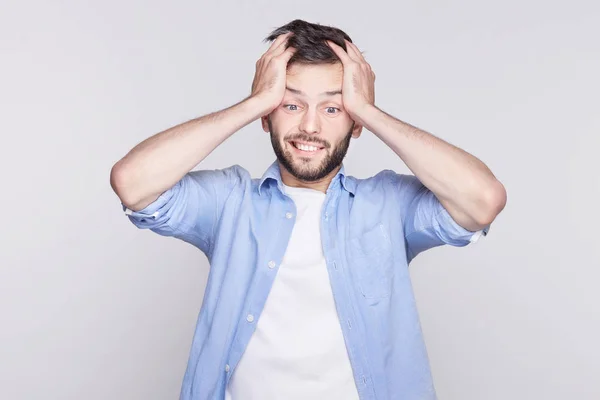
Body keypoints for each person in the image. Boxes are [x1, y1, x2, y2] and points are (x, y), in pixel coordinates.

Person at [110, 19, 506, 400]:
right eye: (292, 106)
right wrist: (256, 102)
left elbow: (483, 200)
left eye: (333, 109)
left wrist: (368, 110)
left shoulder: (388, 205)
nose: (311, 127)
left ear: (354, 122)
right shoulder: (230, 203)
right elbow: (132, 183)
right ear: (267, 116)